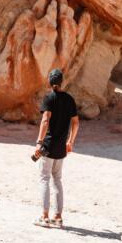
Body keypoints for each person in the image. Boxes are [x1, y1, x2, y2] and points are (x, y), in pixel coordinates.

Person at [31, 68, 79, 228]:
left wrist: (39, 142)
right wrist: (70, 141)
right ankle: (58, 217)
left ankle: (44, 217)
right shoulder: (69, 100)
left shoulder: (49, 98)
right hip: (61, 148)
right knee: (57, 180)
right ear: (62, 81)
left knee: (44, 178)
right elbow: (76, 122)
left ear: (50, 82)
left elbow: (45, 120)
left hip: (48, 146)